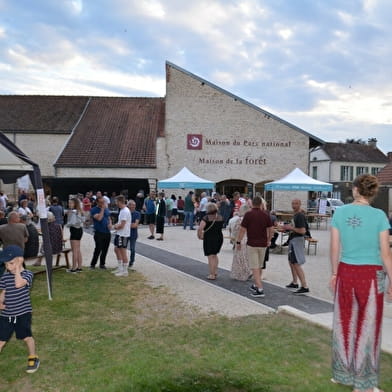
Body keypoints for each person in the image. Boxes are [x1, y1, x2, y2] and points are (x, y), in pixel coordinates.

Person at [329, 174, 392, 392]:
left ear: (355, 189)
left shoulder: (340, 213)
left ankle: (343, 373)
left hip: (346, 272)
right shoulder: (380, 216)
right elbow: (386, 254)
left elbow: (334, 247)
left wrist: (334, 273)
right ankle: (363, 385)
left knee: (344, 324)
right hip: (372, 277)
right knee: (368, 328)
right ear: (373, 192)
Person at [0, 245, 40, 373]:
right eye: (6, 264)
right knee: (1, 340)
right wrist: (0, 302)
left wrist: (17, 268)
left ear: (20, 260)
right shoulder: (5, 276)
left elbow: (19, 284)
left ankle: (33, 357)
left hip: (22, 314)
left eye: (11, 263)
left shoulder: (28, 274)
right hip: (7, 315)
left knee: (26, 337)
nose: (8, 267)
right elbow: (4, 292)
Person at [236, 196, 273, 297]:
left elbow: (242, 230)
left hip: (252, 243)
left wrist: (238, 242)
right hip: (263, 244)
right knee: (260, 265)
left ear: (252, 204)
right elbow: (271, 229)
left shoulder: (248, 215)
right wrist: (269, 240)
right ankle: (256, 284)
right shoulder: (266, 215)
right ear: (261, 204)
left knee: (254, 267)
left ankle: (260, 289)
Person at [283, 199, 310, 295]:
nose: (294, 205)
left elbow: (303, 231)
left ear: (300, 204)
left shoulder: (300, 215)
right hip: (293, 239)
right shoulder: (296, 215)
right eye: (292, 203)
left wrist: (291, 228)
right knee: (291, 262)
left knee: (296, 263)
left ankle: (304, 286)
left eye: (296, 203)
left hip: (297, 241)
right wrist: (287, 228)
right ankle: (295, 282)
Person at [197, 202, 224, 280]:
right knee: (215, 255)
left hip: (209, 238)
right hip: (219, 237)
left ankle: (212, 274)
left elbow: (200, 228)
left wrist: (199, 236)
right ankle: (215, 272)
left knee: (210, 256)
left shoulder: (206, 218)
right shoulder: (220, 217)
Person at [90, 196, 112, 270]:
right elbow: (99, 218)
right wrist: (102, 209)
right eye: (101, 202)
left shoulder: (106, 209)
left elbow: (109, 218)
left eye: (103, 202)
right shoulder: (94, 210)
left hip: (107, 232)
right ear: (97, 202)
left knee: (105, 249)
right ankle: (93, 264)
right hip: (99, 232)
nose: (103, 203)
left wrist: (110, 223)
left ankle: (102, 264)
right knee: (98, 248)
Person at [230, 204, 251, 281]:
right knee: (246, 257)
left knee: (240, 258)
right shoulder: (250, 219)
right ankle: (247, 272)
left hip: (241, 239)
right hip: (248, 239)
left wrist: (237, 240)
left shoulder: (240, 220)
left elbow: (236, 230)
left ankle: (241, 274)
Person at [112, 195, 131, 277]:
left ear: (120, 202)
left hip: (123, 234)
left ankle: (125, 271)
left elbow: (122, 225)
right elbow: (120, 222)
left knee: (123, 251)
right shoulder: (122, 210)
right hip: (119, 233)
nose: (116, 203)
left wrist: (115, 226)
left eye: (116, 202)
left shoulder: (125, 211)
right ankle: (120, 267)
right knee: (116, 249)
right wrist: (116, 225)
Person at [65, 197, 84, 273]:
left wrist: (67, 224)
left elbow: (72, 223)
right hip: (79, 230)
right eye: (69, 203)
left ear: (75, 204)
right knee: (78, 250)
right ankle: (79, 267)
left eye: (71, 203)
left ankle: (73, 268)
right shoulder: (79, 211)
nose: (69, 204)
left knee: (74, 251)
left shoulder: (74, 212)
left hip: (75, 230)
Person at [127, 200, 140, 268]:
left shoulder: (137, 213)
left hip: (133, 234)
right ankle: (124, 261)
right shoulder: (126, 212)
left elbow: (135, 225)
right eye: (132, 205)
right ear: (129, 206)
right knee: (123, 248)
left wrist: (127, 224)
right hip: (125, 233)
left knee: (132, 249)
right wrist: (130, 224)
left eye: (134, 205)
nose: (134, 206)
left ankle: (131, 261)